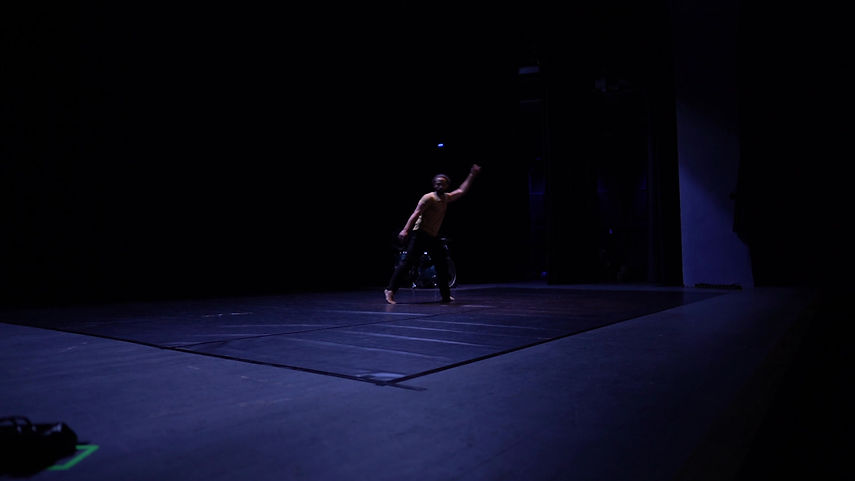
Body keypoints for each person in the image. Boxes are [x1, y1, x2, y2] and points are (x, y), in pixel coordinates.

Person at [384, 164, 481, 304]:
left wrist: (472, 174)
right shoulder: (428, 198)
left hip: (432, 236)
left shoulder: (446, 198)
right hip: (420, 234)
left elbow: (461, 190)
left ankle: (445, 295)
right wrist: (405, 230)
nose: (439, 185)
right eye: (437, 183)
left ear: (447, 185)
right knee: (407, 263)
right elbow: (416, 213)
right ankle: (390, 290)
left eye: (442, 183)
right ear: (434, 185)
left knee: (441, 265)